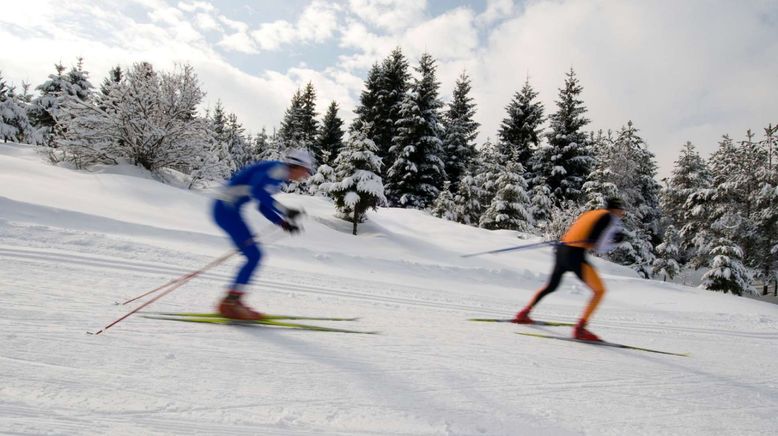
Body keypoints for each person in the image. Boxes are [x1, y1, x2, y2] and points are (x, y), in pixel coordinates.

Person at [212, 149, 313, 320]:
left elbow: (262, 205)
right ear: (297, 166)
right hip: (225, 209)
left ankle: (232, 300)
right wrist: (285, 210)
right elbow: (257, 192)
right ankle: (231, 303)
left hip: (230, 210)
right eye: (305, 172)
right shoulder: (275, 169)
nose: (304, 177)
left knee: (254, 256)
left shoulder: (278, 177)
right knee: (254, 256)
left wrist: (282, 222)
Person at [513, 197, 626, 341]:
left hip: (562, 250)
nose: (623, 213)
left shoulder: (591, 213)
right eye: (621, 210)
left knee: (551, 286)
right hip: (575, 255)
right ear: (615, 209)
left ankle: (523, 314)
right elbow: (600, 246)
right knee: (599, 291)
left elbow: (582, 233)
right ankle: (580, 329)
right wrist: (615, 240)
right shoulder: (608, 218)